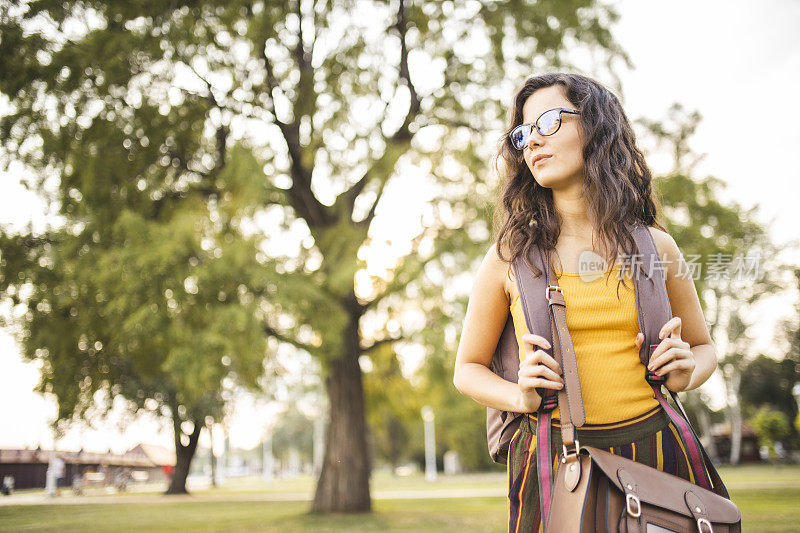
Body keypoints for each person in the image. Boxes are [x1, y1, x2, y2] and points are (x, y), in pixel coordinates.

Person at [452, 72, 718, 533]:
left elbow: (703, 346)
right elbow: (467, 368)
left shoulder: (657, 247)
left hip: (657, 449)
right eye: (522, 134)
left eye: (548, 122)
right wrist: (519, 394)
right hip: (553, 459)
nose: (531, 142)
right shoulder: (507, 259)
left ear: (595, 127)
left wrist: (688, 370)